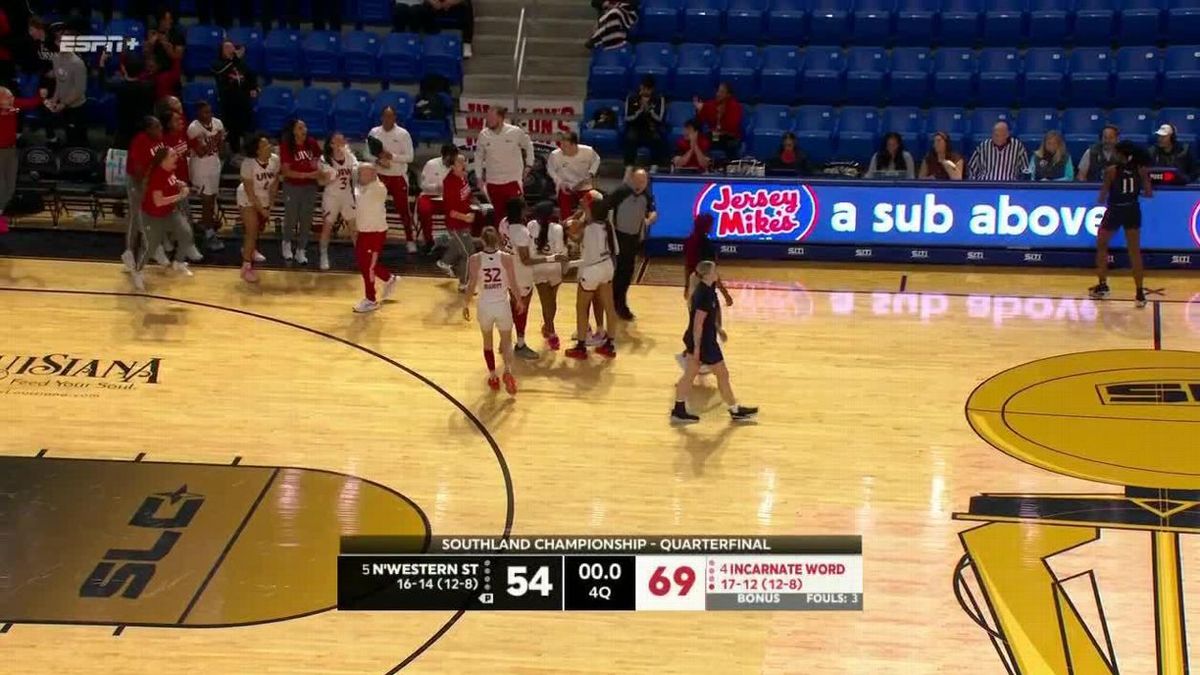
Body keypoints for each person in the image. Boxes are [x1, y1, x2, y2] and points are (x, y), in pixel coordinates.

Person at [670, 260, 757, 424]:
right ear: (708, 274)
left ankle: (678, 410)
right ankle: (735, 410)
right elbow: (698, 324)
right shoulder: (703, 294)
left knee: (689, 375)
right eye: (715, 270)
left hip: (703, 339)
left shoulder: (708, 290)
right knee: (722, 374)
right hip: (704, 343)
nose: (718, 272)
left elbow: (707, 319)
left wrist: (718, 329)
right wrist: (697, 349)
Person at [1090, 140, 1153, 308]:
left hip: (1115, 210)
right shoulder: (1141, 169)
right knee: (1134, 252)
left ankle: (1103, 285)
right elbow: (1148, 193)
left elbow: (1102, 197)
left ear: (1121, 154)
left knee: (1102, 244)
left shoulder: (1111, 171)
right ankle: (1139, 293)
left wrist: (1104, 197)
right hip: (1132, 210)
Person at [504, 197, 568, 359]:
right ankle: (521, 344)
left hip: (511, 273)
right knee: (523, 310)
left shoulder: (503, 224)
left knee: (513, 308)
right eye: (524, 208)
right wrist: (549, 258)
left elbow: (502, 245)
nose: (527, 211)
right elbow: (526, 259)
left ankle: (505, 341)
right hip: (525, 274)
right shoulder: (523, 232)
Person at [462, 226, 522, 393]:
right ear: (497, 239)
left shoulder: (475, 259)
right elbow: (513, 283)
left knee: (487, 343)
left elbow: (471, 284)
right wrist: (519, 300)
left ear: (481, 240)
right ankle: (508, 372)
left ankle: (493, 376)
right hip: (502, 305)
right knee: (507, 342)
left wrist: (465, 304)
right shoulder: (506, 258)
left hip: (485, 306)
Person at [564, 193, 619, 360]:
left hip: (591, 270)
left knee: (581, 308)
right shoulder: (608, 225)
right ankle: (609, 344)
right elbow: (616, 251)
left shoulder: (587, 227)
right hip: (607, 267)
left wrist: (569, 227)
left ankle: (581, 347)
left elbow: (574, 233)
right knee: (610, 308)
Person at [133, 147, 195, 291]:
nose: (177, 157)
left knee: (186, 233)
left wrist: (179, 183)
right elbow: (158, 201)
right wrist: (180, 195)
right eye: (173, 155)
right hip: (152, 216)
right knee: (152, 246)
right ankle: (138, 271)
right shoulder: (157, 176)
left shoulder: (169, 170)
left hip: (169, 212)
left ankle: (178, 263)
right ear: (163, 160)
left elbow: (172, 181)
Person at [365, 106, 417, 252]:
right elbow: (366, 153)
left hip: (397, 177)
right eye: (385, 116)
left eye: (391, 116)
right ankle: (375, 239)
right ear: (381, 117)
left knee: (403, 210)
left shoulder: (403, 134)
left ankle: (410, 239)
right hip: (379, 176)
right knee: (375, 208)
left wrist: (392, 157)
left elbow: (410, 157)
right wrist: (378, 161)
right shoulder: (374, 132)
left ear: (395, 118)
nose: (388, 119)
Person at [607, 168, 656, 321]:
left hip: (634, 238)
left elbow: (652, 210)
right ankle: (615, 303)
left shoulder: (646, 194)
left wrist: (650, 219)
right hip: (618, 237)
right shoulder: (620, 193)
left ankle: (620, 302)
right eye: (639, 181)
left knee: (627, 273)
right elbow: (603, 208)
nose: (641, 184)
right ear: (632, 179)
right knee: (618, 272)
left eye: (644, 181)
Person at [351, 163, 400, 313]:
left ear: (373, 175)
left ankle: (371, 299)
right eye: (360, 173)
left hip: (375, 233)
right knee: (363, 264)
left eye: (364, 173)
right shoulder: (360, 187)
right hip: (364, 232)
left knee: (368, 267)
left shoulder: (378, 189)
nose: (361, 175)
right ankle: (389, 278)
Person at [121, 116, 167, 272]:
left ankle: (153, 248)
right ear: (148, 129)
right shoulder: (140, 141)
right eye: (157, 126)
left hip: (151, 182)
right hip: (137, 180)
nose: (161, 129)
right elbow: (138, 170)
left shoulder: (160, 140)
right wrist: (144, 187)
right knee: (136, 216)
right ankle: (129, 252)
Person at [476, 106, 534, 228]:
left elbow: (528, 146)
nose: (488, 120)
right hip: (493, 182)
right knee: (499, 216)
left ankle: (521, 241)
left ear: (501, 118)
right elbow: (479, 157)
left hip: (512, 180)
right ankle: (502, 243)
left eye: (492, 117)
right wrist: (478, 177)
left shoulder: (515, 132)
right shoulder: (483, 134)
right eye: (488, 117)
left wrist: (529, 164)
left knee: (517, 213)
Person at [279, 118, 322, 265]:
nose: (304, 130)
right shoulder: (286, 146)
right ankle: (286, 243)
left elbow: (319, 161)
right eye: (300, 127)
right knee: (291, 217)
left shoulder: (312, 143)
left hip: (310, 187)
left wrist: (319, 169)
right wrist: (307, 175)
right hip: (293, 186)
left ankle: (301, 249)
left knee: (306, 218)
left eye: (305, 127)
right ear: (293, 131)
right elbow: (286, 171)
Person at [236, 133, 279, 283]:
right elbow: (250, 192)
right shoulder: (248, 164)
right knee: (252, 230)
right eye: (265, 145)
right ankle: (246, 267)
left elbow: (274, 183)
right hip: (247, 197)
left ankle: (250, 249)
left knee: (259, 228)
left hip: (264, 195)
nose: (270, 146)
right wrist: (261, 209)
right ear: (257, 150)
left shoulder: (274, 160)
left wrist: (271, 204)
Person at [528, 200, 569, 351]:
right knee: (552, 302)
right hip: (554, 268)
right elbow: (560, 251)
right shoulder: (558, 228)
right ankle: (550, 330)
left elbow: (530, 249)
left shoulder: (531, 225)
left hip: (538, 267)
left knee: (547, 303)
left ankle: (550, 330)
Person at [0, 86, 42, 232]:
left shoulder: (14, 106)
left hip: (11, 151)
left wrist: (41, 95)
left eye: (12, 96)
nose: (12, 99)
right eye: (8, 97)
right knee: (1, 186)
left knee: (10, 186)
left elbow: (30, 103)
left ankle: (0, 214)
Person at [162, 109, 202, 261]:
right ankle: (184, 245)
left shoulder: (182, 135)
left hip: (183, 182)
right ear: (168, 124)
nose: (180, 122)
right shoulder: (164, 141)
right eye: (176, 120)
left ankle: (180, 244)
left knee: (183, 216)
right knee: (181, 216)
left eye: (181, 119)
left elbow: (194, 145)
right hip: (171, 184)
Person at [186, 101, 226, 251]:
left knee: (211, 200)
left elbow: (221, 150)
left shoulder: (218, 123)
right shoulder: (193, 128)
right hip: (200, 168)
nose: (209, 115)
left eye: (210, 111)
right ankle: (209, 235)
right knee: (207, 201)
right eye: (205, 112)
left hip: (214, 165)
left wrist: (221, 141)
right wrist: (216, 138)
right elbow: (201, 152)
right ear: (198, 114)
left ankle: (205, 225)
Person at [317, 132, 359, 271]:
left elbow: (356, 172)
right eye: (338, 141)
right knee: (327, 227)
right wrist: (329, 177)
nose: (341, 143)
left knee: (353, 227)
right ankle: (323, 254)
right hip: (331, 196)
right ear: (331, 144)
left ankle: (360, 256)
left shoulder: (350, 157)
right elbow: (320, 181)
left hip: (347, 195)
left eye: (343, 140)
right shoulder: (324, 159)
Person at [436, 152, 477, 290]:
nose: (463, 164)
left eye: (464, 161)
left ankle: (444, 262)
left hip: (465, 221)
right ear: (453, 166)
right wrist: (465, 217)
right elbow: (451, 211)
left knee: (460, 247)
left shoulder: (463, 178)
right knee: (468, 253)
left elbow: (467, 195)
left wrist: (475, 205)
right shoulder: (449, 183)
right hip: (456, 224)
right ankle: (464, 283)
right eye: (460, 162)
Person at [213, 40, 258, 156]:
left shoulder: (241, 64)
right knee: (233, 130)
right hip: (228, 104)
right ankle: (234, 154)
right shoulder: (218, 64)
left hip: (243, 102)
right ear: (221, 51)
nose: (230, 50)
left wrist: (254, 88)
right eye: (227, 48)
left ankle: (250, 152)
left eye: (231, 47)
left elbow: (251, 77)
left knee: (247, 127)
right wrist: (234, 60)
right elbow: (221, 71)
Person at [547, 131, 601, 221]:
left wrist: (591, 174)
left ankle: (587, 225)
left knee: (591, 204)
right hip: (566, 186)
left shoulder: (588, 151)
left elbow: (597, 160)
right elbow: (551, 170)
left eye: (565, 146)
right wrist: (560, 182)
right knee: (564, 205)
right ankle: (566, 225)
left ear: (574, 145)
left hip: (584, 185)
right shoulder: (555, 155)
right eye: (561, 145)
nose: (562, 148)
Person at [44, 39, 87, 146]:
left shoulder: (78, 63)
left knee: (78, 138)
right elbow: (59, 82)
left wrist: (63, 104)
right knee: (68, 133)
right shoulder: (56, 58)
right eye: (59, 42)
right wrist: (54, 99)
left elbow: (79, 89)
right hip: (64, 105)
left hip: (77, 107)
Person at [622, 76, 666, 177]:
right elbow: (627, 118)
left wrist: (649, 110)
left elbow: (660, 119)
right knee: (630, 138)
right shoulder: (632, 97)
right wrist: (640, 111)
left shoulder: (659, 98)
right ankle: (629, 167)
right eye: (642, 88)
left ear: (652, 89)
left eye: (647, 89)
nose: (644, 91)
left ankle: (654, 166)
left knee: (656, 138)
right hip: (635, 127)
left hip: (652, 127)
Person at [416, 143, 456, 250]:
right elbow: (423, 186)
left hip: (447, 197)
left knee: (460, 209)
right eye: (449, 158)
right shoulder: (431, 164)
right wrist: (437, 187)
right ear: (444, 156)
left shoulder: (456, 165)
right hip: (429, 195)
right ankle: (428, 241)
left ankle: (456, 239)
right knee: (424, 210)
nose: (451, 161)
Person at [693, 82, 743, 163]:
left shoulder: (735, 107)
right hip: (715, 136)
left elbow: (732, 126)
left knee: (731, 145)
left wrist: (720, 117)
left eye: (722, 92)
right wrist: (699, 111)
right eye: (718, 91)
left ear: (728, 95)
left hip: (729, 137)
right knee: (702, 141)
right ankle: (704, 165)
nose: (718, 94)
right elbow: (699, 122)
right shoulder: (710, 105)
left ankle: (732, 167)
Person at [408, 0, 475, 58]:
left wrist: (451, 2)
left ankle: (466, 43)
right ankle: (418, 43)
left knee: (467, 4)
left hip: (454, 7)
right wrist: (432, 2)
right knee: (417, 9)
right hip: (435, 8)